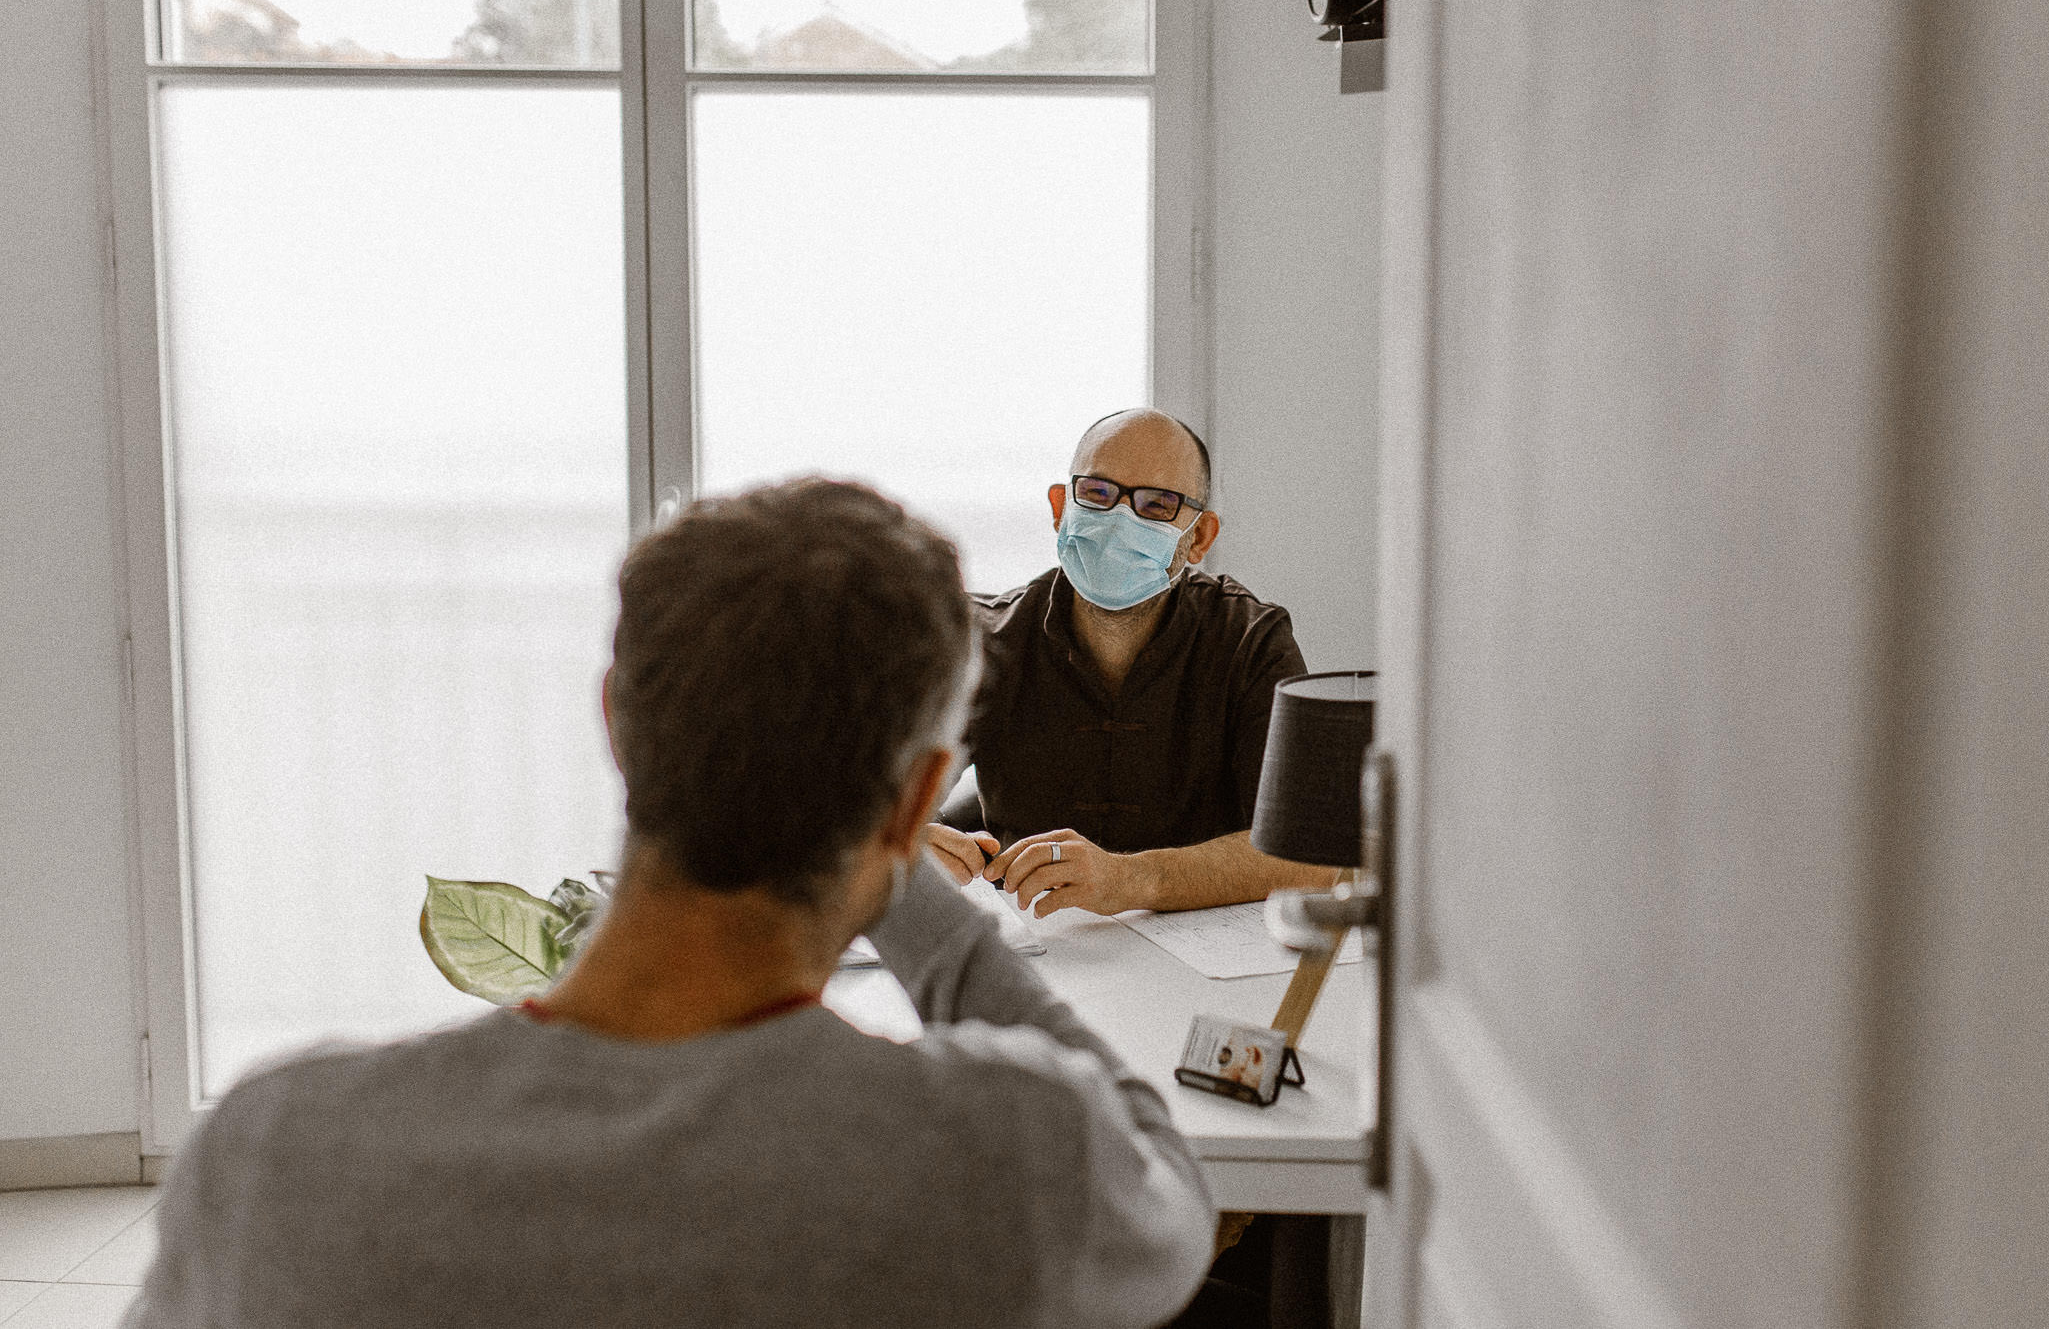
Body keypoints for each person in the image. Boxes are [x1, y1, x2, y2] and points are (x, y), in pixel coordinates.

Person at [128, 479, 1213, 1329]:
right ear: (919, 798)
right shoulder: (1011, 1153)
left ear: (616, 723)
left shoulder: (279, 1155)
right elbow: (1170, 1194)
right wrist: (919, 902)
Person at [925, 408, 1337, 916]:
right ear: (1060, 507)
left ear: (1200, 538)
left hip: (1211, 956)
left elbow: (1314, 855)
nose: (1119, 519)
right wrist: (897, 847)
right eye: (1097, 494)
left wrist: (1135, 880)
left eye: (1157, 505)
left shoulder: (1250, 642)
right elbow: (859, 809)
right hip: (1041, 943)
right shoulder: (982, 642)